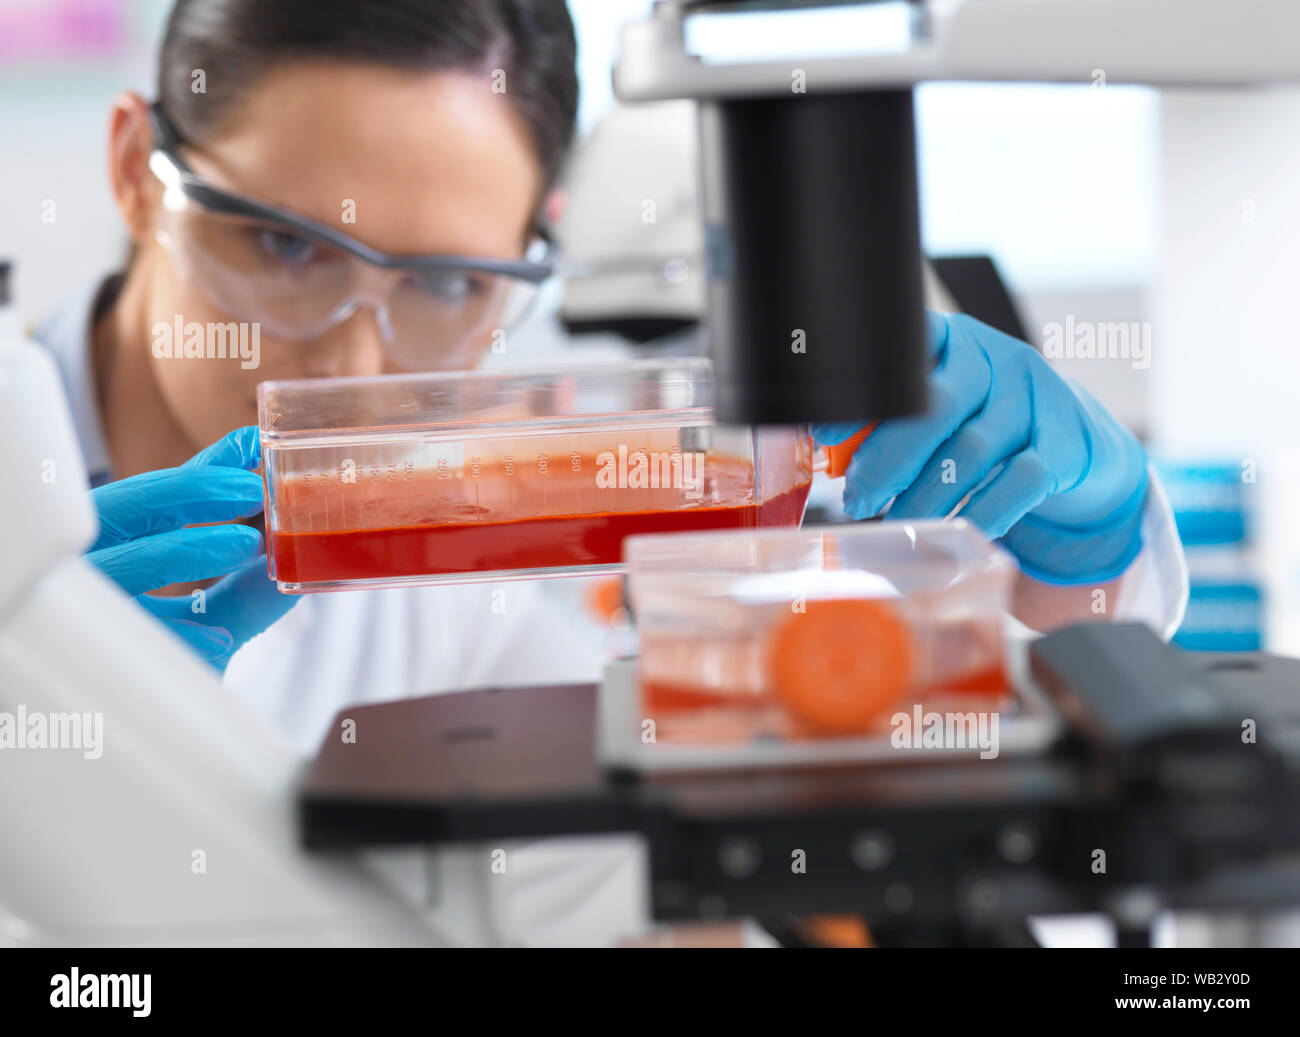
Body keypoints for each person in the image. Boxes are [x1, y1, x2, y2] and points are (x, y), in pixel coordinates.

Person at [30, 0, 1185, 945]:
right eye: (286, 246)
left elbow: (653, 901)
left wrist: (1075, 577)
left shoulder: (471, 586)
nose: (353, 360)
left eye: (445, 284)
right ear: (136, 167)